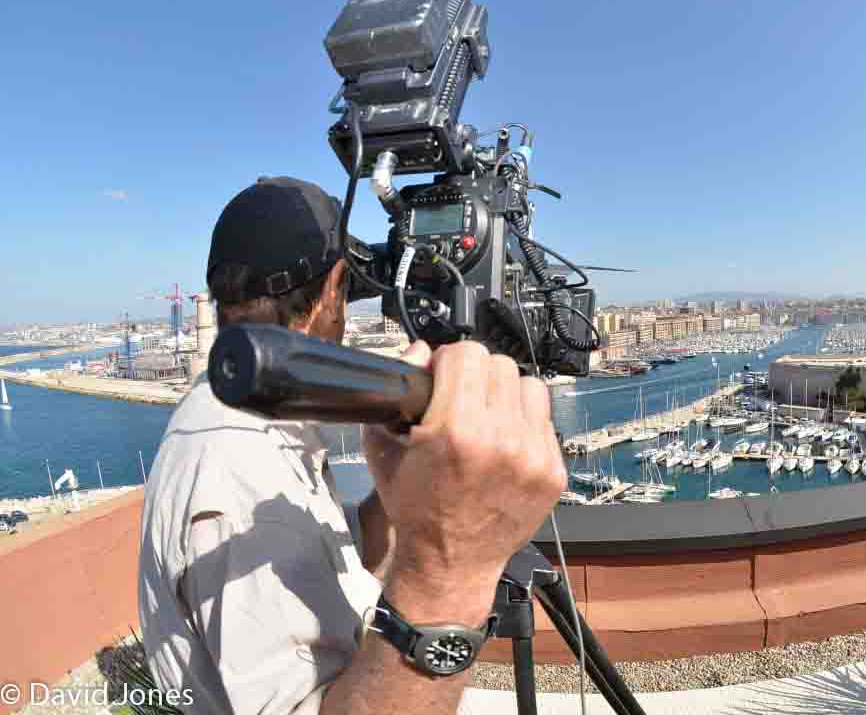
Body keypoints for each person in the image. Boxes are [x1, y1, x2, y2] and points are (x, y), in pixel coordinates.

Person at [138, 176, 566, 714]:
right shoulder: (236, 466)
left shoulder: (247, 411)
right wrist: (450, 571)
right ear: (334, 289)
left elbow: (338, 553)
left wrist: (405, 491)